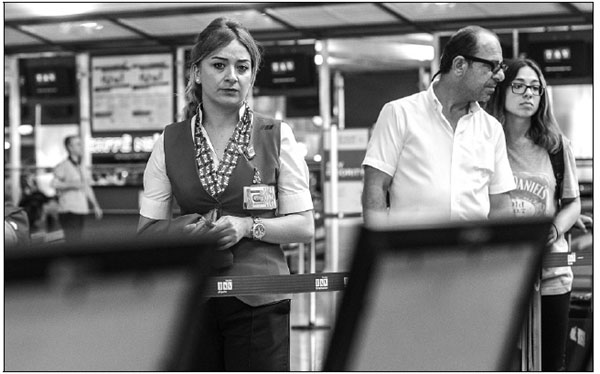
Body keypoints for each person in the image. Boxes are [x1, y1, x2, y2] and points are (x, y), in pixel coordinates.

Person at [137, 17, 314, 371]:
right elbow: (147, 232)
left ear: (252, 76)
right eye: (219, 65)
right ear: (198, 72)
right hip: (192, 297)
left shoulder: (277, 135)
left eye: (242, 67)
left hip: (261, 298)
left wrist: (249, 227)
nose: (232, 76)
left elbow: (304, 226)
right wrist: (181, 232)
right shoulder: (169, 141)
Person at [362, 25, 515, 226]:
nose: (500, 76)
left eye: (501, 67)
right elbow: (376, 187)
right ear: (459, 65)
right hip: (412, 253)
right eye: (491, 66)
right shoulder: (399, 114)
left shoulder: (491, 129)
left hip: (471, 254)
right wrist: (378, 247)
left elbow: (500, 205)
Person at [485, 58, 581, 371]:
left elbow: (571, 203)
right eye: (520, 86)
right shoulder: (484, 144)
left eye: (536, 88)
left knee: (551, 363)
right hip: (500, 274)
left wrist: (552, 231)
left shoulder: (555, 145)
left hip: (551, 276)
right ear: (502, 90)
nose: (529, 94)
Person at [52, 135, 103, 243]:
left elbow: (87, 187)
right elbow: (54, 184)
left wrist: (96, 205)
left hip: (80, 209)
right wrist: (71, 185)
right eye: (78, 144)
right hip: (68, 210)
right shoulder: (63, 166)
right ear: (70, 147)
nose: (81, 147)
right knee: (73, 241)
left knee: (77, 241)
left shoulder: (81, 166)